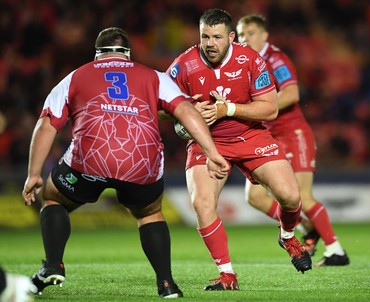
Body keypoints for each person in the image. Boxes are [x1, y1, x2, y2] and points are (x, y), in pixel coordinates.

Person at [21, 27, 230, 299]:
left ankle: (52, 265)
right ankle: (167, 284)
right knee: (149, 213)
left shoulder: (76, 76)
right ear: (128, 54)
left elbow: (47, 124)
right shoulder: (154, 77)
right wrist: (212, 152)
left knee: (53, 199)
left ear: (97, 54)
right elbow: (186, 111)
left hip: (89, 161)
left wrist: (33, 174)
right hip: (140, 163)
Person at [164, 8, 312, 291]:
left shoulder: (251, 59)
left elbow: (269, 109)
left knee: (291, 197)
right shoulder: (184, 64)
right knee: (202, 204)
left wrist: (226, 109)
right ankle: (227, 274)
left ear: (231, 37)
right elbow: (161, 108)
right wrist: (185, 110)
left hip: (250, 135)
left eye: (217, 37)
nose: (210, 44)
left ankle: (288, 236)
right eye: (205, 36)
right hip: (207, 142)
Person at [236, 15, 350, 266]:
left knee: (303, 196)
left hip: (292, 133)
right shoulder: (244, 63)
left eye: (251, 33)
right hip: (267, 136)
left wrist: (260, 106)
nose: (245, 39)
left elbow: (291, 93)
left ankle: (336, 250)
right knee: (254, 197)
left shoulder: (276, 59)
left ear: (265, 35)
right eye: (241, 35)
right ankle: (307, 228)